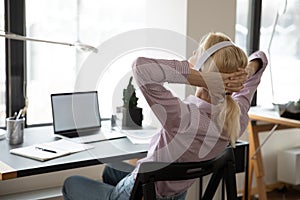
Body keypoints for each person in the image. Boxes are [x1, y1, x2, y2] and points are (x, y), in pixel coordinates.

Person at [62, 32, 268, 200]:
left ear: (203, 69)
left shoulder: (183, 117)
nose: (192, 55)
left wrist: (202, 78)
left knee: (71, 183)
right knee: (110, 170)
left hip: (143, 193)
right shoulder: (237, 115)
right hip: (175, 193)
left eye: (197, 52)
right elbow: (261, 58)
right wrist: (244, 74)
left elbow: (142, 68)